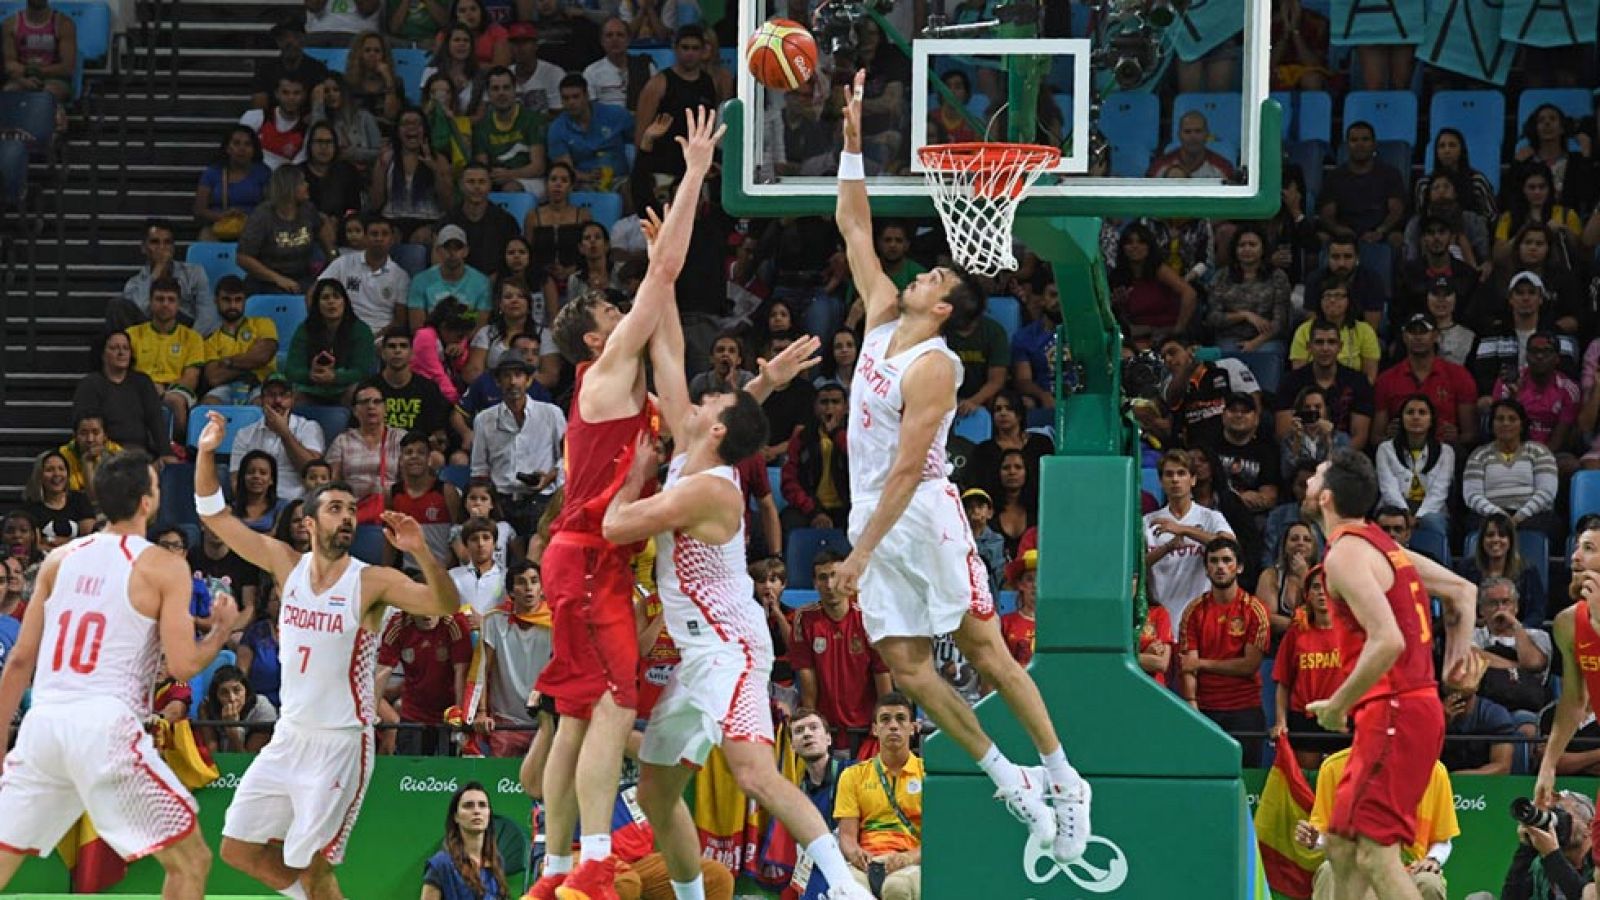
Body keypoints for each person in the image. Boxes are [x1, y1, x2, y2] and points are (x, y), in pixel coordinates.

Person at [830, 71, 1090, 867]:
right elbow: (853, 228)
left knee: (984, 650)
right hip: (872, 514)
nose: (919, 275)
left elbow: (909, 471)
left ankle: (1064, 778)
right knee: (906, 668)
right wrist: (849, 146)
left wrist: (862, 553)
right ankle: (1004, 775)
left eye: (936, 278)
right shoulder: (878, 319)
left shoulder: (937, 365)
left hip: (918, 515)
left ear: (944, 308)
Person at [599, 282, 873, 900]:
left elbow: (617, 526)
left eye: (714, 401)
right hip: (698, 654)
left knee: (753, 772)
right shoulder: (696, 448)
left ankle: (849, 889)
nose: (703, 397)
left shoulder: (709, 488)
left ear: (716, 431)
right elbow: (668, 354)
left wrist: (636, 476)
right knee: (654, 790)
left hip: (732, 648)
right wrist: (664, 273)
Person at [522, 106, 723, 900]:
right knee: (611, 706)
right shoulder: (603, 376)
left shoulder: (615, 393)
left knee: (576, 716)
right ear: (593, 338)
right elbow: (663, 276)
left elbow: (667, 332)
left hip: (581, 556)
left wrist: (636, 479)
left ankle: (555, 866)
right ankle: (601, 859)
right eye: (615, 313)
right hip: (592, 557)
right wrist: (696, 174)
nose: (625, 315)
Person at [192, 409, 459, 896]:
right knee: (237, 848)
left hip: (341, 743)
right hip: (290, 736)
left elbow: (444, 604)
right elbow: (213, 515)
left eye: (352, 511)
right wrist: (207, 450)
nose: (347, 518)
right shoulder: (284, 564)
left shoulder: (371, 580)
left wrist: (421, 551)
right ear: (308, 522)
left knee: (311, 865)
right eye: (335, 509)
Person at [0, 450, 243, 898]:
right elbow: (183, 665)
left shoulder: (59, 560)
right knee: (192, 862)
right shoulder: (164, 565)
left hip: (45, 725)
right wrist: (222, 631)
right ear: (148, 501)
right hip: (104, 727)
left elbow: (18, 662)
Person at [1299, 450, 1476, 900]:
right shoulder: (1384, 546)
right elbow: (1463, 590)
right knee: (1340, 841)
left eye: (1315, 476)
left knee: (1376, 854)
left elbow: (1388, 640)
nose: (1307, 481)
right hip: (1405, 709)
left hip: (1396, 709)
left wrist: (1338, 703)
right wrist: (1456, 660)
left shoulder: (1346, 556)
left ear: (1326, 497)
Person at [1294, 746, 1458, 900]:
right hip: (1354, 866)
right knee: (1328, 871)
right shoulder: (1333, 768)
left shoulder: (1434, 771)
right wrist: (1316, 840)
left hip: (1411, 870)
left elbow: (1443, 840)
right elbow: (1325, 836)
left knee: (1430, 883)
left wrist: (1432, 860)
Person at [790, 549, 893, 753]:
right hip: (825, 732)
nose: (829, 585)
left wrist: (884, 725)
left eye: (835, 576)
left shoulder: (868, 619)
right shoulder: (804, 620)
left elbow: (882, 677)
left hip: (866, 732)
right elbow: (807, 681)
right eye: (823, 578)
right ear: (814, 583)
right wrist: (813, 727)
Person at [1178, 537, 1270, 765]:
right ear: (1206, 569)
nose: (1220, 566)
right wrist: (1191, 704)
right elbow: (1188, 667)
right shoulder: (1193, 611)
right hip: (1205, 710)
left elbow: (1249, 665)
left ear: (1239, 567)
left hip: (1244, 710)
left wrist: (1202, 664)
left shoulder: (1254, 610)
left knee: (1246, 778)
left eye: (1226, 560)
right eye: (1214, 561)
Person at [833, 692, 924, 900]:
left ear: (913, 728)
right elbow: (847, 836)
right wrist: (855, 853)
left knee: (896, 888)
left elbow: (938, 839)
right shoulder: (852, 775)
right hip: (867, 864)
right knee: (847, 892)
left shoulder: (928, 775)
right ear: (875, 729)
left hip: (911, 863)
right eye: (885, 719)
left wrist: (909, 858)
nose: (893, 725)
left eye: (901, 719)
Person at [469, 356, 565, 535]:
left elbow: (567, 457)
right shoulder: (484, 419)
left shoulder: (551, 413)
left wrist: (549, 477)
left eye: (518, 375)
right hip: (501, 503)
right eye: (506, 376)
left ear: (528, 381)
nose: (512, 382)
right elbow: (479, 468)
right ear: (498, 382)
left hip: (543, 500)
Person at [468, 559, 551, 758]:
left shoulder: (556, 621)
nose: (529, 588)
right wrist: (481, 712)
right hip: (505, 721)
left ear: (542, 588)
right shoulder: (494, 620)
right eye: (522, 582)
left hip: (545, 721)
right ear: (511, 592)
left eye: (534, 581)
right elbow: (482, 668)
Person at [1144, 449, 1236, 624]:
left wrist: (1184, 530)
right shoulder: (1147, 522)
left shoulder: (1211, 518)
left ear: (1193, 479)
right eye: (1169, 474)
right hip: (1161, 620)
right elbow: (1136, 568)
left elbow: (1230, 546)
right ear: (1161, 481)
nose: (1175, 479)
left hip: (1202, 619)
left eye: (1181, 473)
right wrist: (1167, 548)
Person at [1270, 567, 1345, 769]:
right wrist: (1281, 722)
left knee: (1341, 785)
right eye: (1316, 587)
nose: (1322, 592)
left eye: (1327, 587)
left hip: (1342, 717)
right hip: (1305, 719)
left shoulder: (1352, 631)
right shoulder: (1296, 632)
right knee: (1307, 783)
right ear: (1307, 595)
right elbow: (1283, 684)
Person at [1372, 314, 1479, 449]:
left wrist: (1456, 437)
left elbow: (1471, 434)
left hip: (1446, 450)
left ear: (1435, 335)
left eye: (1423, 332)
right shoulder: (1386, 379)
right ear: (1404, 337)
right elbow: (1376, 437)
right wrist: (1388, 437)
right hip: (1400, 450)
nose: (1418, 337)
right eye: (1412, 332)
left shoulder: (1459, 375)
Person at [376, 608, 473, 756]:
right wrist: (368, 714)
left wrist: (459, 714)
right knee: (409, 773)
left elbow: (461, 673)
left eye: (432, 605)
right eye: (420, 606)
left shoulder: (455, 623)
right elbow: (382, 672)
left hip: (447, 717)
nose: (427, 614)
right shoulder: (398, 625)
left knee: (447, 775)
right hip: (413, 715)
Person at [1462, 399, 1561, 540]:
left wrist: (1519, 516)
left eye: (1512, 419)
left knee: (1550, 524)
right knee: (1474, 524)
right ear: (1492, 424)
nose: (1506, 423)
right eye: (1500, 419)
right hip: (1490, 514)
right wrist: (1499, 516)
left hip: (1531, 516)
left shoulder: (1539, 451)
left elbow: (1546, 493)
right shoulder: (1479, 455)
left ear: (1522, 425)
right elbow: (1472, 495)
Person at [127, 278, 206, 446]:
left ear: (179, 305)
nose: (165, 304)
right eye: (160, 299)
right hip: (139, 388)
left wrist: (163, 392)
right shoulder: (132, 334)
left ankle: (176, 447)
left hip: (177, 390)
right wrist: (149, 388)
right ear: (150, 302)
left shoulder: (192, 338)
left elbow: (191, 379)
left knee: (175, 401)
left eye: (171, 300)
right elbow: (125, 371)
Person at [230, 372, 328, 502]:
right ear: (261, 400)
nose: (277, 401)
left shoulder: (309, 428)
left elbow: (312, 471)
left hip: (297, 504)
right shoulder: (245, 434)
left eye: (284, 395)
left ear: (293, 399)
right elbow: (236, 481)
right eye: (271, 395)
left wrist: (285, 434)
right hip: (259, 504)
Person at [286, 278, 379, 406]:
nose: (331, 302)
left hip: (345, 388)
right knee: (290, 395)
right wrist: (310, 375)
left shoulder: (361, 330)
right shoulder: (305, 329)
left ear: (345, 302)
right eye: (325, 298)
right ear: (317, 303)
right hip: (312, 387)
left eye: (336, 297)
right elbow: (291, 369)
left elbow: (362, 370)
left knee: (357, 391)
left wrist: (335, 377)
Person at [1374, 394, 1454, 539]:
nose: (1416, 417)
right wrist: (1404, 514)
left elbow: (1439, 492)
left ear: (1431, 420)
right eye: (1410, 412)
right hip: (1392, 508)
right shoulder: (1385, 449)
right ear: (1401, 419)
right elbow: (1388, 488)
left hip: (1431, 510)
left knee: (1432, 522)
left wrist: (1419, 516)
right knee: (1390, 522)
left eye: (1422, 413)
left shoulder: (1446, 452)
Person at [119, 220, 217, 336]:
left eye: (167, 242)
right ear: (144, 248)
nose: (162, 248)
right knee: (117, 306)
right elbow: (139, 312)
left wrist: (189, 341)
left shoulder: (194, 273)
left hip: (185, 332)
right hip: (149, 336)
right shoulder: (134, 283)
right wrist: (156, 271)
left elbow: (208, 315)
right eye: (155, 242)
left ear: (173, 248)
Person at [423, 782, 509, 900]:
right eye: (468, 805)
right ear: (456, 817)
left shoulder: (497, 861)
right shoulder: (440, 865)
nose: (477, 811)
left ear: (489, 814)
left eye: (482, 805)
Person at [474, 66, 548, 195]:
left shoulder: (532, 120)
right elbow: (482, 168)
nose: (501, 93)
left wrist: (510, 174)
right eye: (495, 89)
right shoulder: (482, 127)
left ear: (515, 90)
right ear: (488, 94)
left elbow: (538, 167)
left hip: (531, 180)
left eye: (506, 88)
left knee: (510, 189)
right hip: (497, 180)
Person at [2, 0, 78, 109]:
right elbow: (9, 63)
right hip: (22, 78)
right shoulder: (10, 24)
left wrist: (35, 71)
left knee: (47, 93)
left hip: (55, 79)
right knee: (10, 91)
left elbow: (67, 67)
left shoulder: (64, 24)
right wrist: (24, 79)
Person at [21, 449, 96, 548]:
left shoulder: (79, 500)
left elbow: (89, 540)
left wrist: (50, 540)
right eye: (49, 470)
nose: (57, 474)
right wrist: (72, 542)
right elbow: (35, 546)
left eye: (61, 469)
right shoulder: (30, 507)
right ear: (39, 475)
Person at [198, 664, 278, 753]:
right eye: (224, 693)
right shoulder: (207, 707)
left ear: (246, 690)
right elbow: (213, 754)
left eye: (237, 690)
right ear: (216, 696)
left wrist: (232, 731)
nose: (232, 698)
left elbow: (245, 762)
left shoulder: (262, 708)